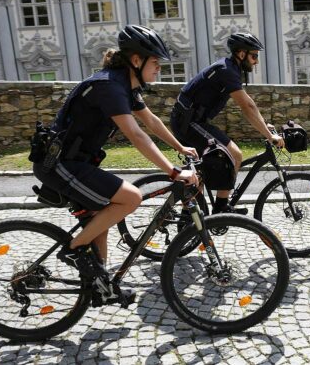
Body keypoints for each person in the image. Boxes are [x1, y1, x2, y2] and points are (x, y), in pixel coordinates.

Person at [33, 24, 198, 306]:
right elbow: (136, 134)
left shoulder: (124, 86)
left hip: (76, 162)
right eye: (155, 62)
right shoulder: (108, 86)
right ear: (137, 61)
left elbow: (152, 122)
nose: (159, 69)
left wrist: (179, 147)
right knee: (130, 198)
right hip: (59, 164)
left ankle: (101, 283)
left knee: (102, 218)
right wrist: (172, 171)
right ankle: (74, 249)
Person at [169, 32, 284, 214]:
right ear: (241, 54)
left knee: (203, 171)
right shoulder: (226, 70)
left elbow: (248, 106)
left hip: (193, 121)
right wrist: (269, 136)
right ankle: (221, 207)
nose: (256, 61)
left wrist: (264, 126)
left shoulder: (231, 69)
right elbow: (247, 106)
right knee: (234, 154)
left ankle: (189, 216)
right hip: (189, 122)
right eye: (254, 56)